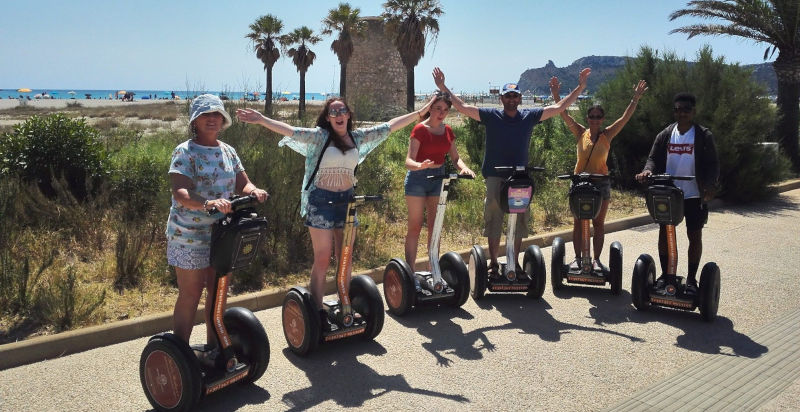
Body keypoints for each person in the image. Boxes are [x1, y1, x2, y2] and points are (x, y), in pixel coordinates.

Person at [236, 97, 435, 327]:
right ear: (328, 118)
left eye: (342, 110)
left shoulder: (357, 137)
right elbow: (291, 131)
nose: (338, 114)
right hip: (320, 202)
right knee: (322, 258)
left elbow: (389, 126)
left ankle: (345, 303)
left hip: (347, 202)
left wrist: (419, 113)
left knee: (345, 257)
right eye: (333, 111)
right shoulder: (320, 137)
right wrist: (261, 119)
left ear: (348, 115)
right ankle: (317, 311)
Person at [433, 66, 590, 276]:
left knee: (518, 218)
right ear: (502, 99)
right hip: (495, 175)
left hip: (519, 178)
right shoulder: (491, 115)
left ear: (520, 98)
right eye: (508, 96)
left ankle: (514, 262)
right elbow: (461, 107)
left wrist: (580, 88)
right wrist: (443, 87)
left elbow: (559, 107)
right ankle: (494, 264)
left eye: (515, 96)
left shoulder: (529, 116)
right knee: (494, 217)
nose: (512, 100)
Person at [166, 94, 269, 347]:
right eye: (205, 114)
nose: (212, 119)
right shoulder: (185, 151)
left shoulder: (228, 151)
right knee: (191, 294)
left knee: (218, 291)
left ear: (223, 119)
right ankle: (180, 356)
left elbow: (241, 181)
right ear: (195, 120)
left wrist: (253, 190)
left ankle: (214, 348)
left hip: (222, 233)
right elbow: (180, 192)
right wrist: (208, 203)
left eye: (216, 115)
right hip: (189, 234)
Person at [550, 78, 648, 271]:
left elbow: (624, 118)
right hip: (580, 183)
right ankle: (578, 259)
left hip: (600, 184)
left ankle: (596, 260)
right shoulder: (580, 133)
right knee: (578, 223)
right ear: (588, 118)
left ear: (602, 119)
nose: (595, 119)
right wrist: (555, 95)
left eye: (598, 117)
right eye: (592, 116)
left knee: (598, 224)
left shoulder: (607, 135)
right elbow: (563, 113)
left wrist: (635, 98)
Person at [635, 93, 719, 295]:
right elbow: (653, 158)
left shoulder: (703, 135)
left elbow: (713, 164)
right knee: (665, 234)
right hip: (669, 193)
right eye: (678, 109)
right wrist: (648, 171)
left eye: (686, 110)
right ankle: (666, 275)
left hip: (692, 194)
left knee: (694, 235)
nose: (681, 113)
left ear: (693, 112)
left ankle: (691, 279)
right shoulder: (666, 134)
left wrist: (709, 185)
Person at [404, 91, 476, 276]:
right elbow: (408, 161)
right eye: (437, 108)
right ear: (430, 108)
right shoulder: (420, 129)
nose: (441, 113)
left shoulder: (448, 131)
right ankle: (409, 272)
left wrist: (463, 168)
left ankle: (433, 268)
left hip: (438, 177)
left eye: (445, 109)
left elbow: (455, 157)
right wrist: (420, 165)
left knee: (435, 226)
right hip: (417, 179)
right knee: (415, 226)